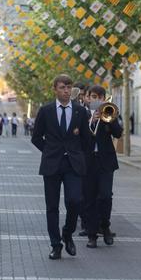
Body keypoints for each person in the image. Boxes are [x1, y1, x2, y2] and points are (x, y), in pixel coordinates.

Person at [30, 74, 91, 260]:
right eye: (62, 87)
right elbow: (36, 137)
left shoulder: (80, 111)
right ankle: (56, 245)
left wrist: (79, 155)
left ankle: (67, 232)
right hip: (52, 164)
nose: (66, 90)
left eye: (68, 87)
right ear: (55, 89)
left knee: (75, 200)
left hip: (73, 164)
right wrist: (50, 152)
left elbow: (86, 140)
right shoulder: (46, 111)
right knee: (52, 207)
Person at [84, 85, 123, 248]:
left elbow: (118, 133)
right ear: (88, 97)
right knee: (90, 198)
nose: (96, 99)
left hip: (106, 161)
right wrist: (92, 120)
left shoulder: (109, 112)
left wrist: (110, 117)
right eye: (93, 96)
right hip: (87, 162)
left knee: (106, 196)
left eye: (99, 97)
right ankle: (92, 234)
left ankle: (105, 226)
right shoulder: (82, 113)